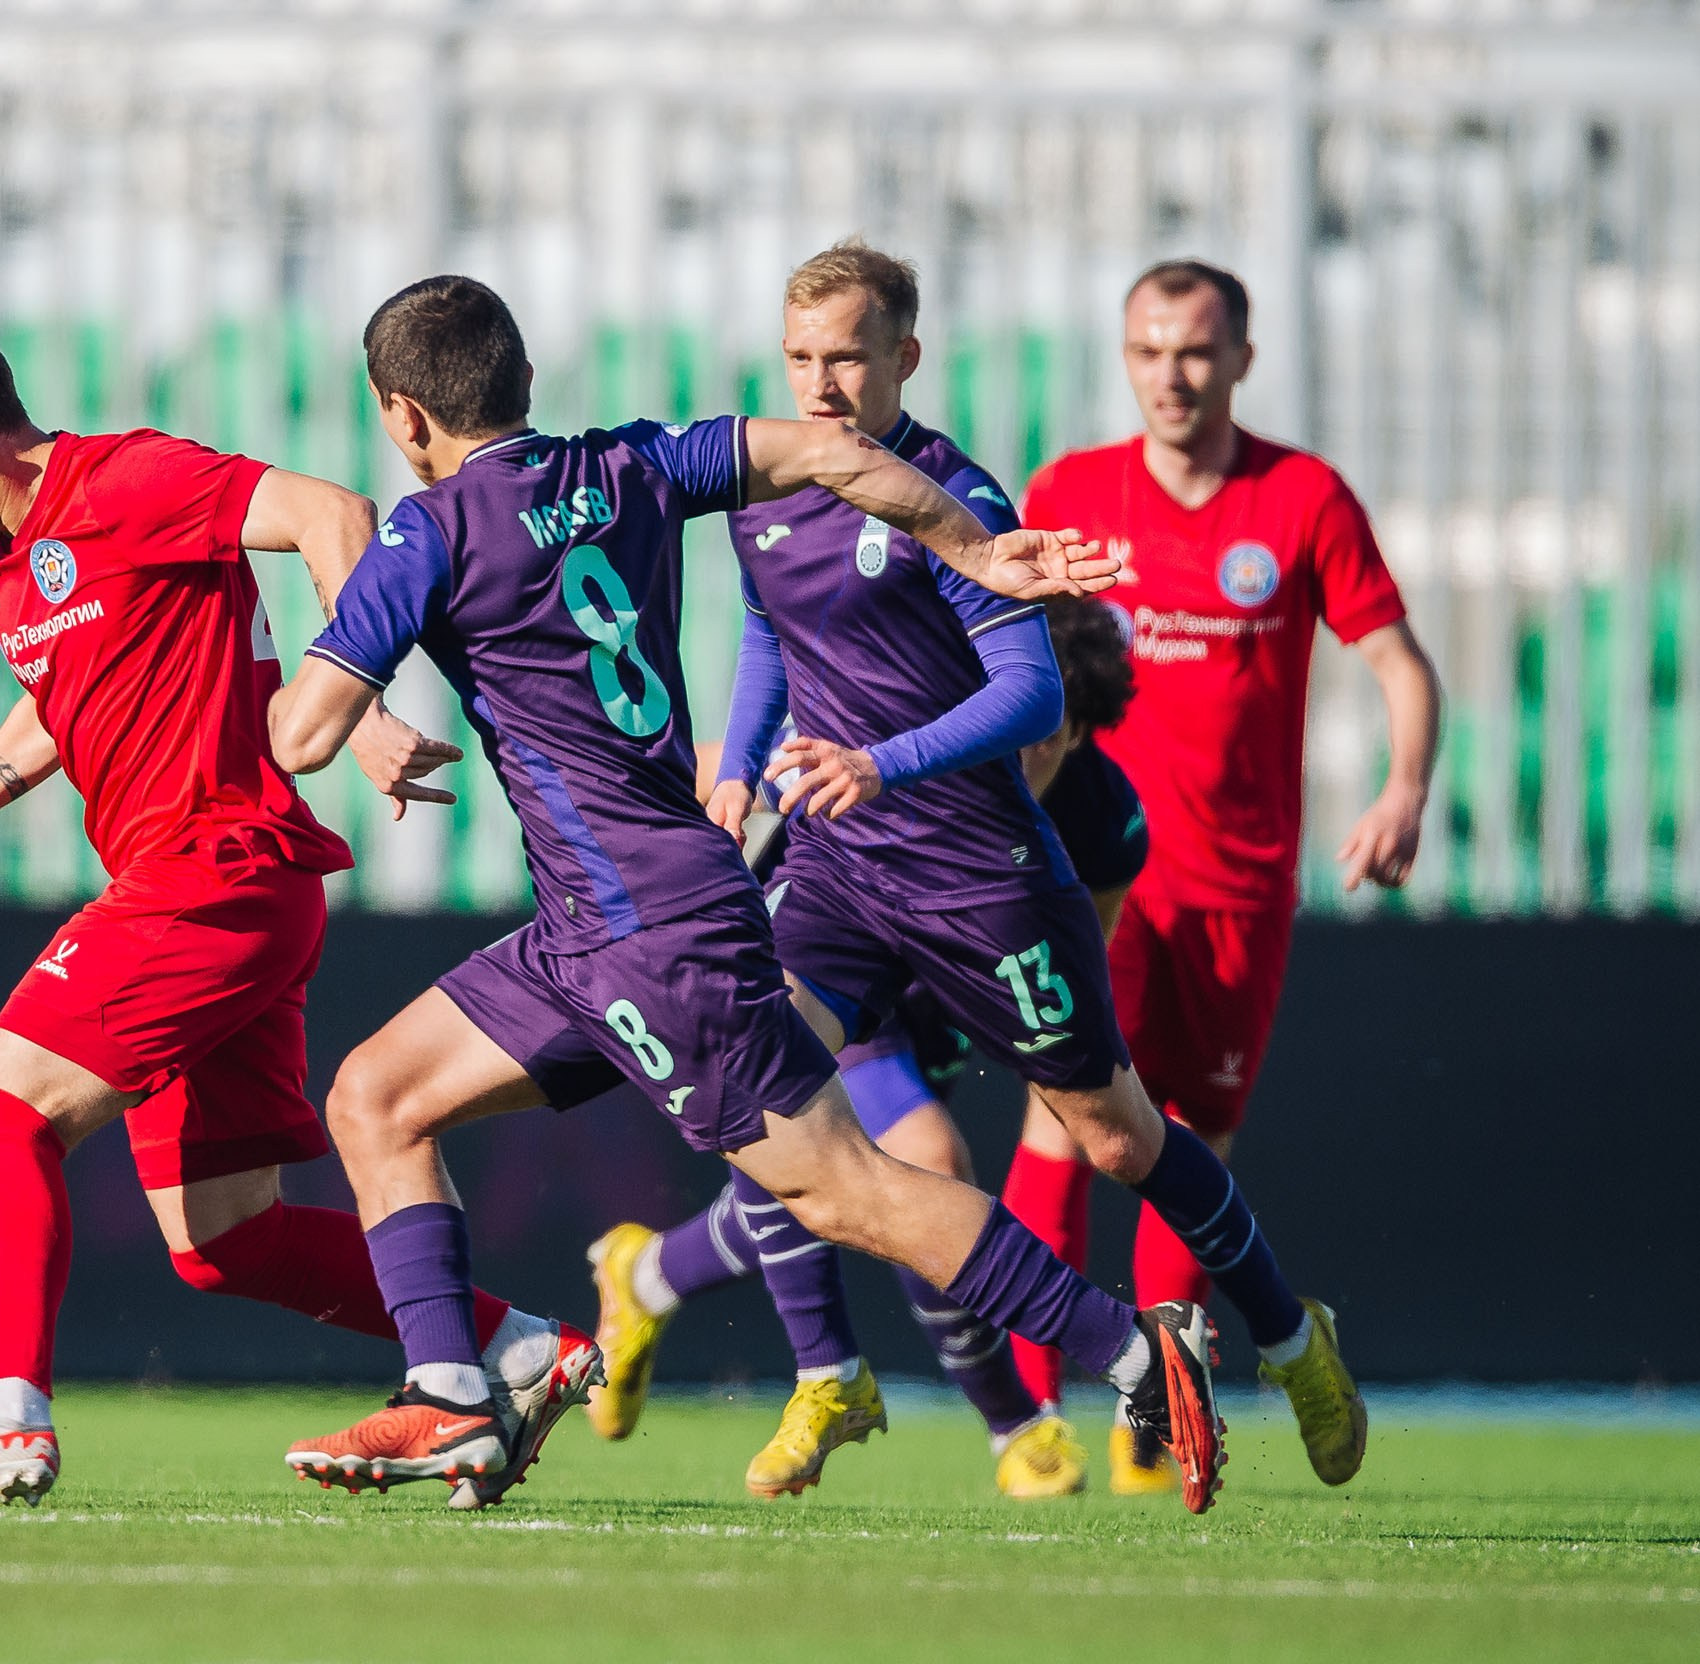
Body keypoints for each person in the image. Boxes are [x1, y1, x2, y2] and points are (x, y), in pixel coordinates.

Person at [263, 274, 1230, 1514]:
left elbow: (299, 736)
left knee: (846, 1187)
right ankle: (459, 1394)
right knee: (376, 1097)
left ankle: (1138, 1352)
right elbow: (833, 454)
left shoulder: (430, 531)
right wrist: (972, 547)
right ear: (520, 382)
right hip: (593, 922)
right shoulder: (631, 462)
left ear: (403, 416)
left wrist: (328, 672)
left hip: (649, 930)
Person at [0, 313, 569, 1507]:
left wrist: (353, 708)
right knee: (227, 1240)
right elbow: (64, 706)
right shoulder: (8, 556)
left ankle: (7, 1416)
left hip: (211, 870)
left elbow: (333, 516)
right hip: (229, 894)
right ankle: (520, 1347)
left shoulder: (127, 478)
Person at [1006, 259, 1442, 1494]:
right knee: (1069, 1113)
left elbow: (1400, 662)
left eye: (1193, 351)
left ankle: (1156, 1411)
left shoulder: (1299, 498)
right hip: (1100, 871)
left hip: (1239, 887)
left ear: (1240, 359)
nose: (1169, 375)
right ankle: (1030, 1416)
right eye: (1146, 350)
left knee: (1188, 1135)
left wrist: (1404, 782)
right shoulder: (1073, 493)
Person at [594, 594, 1145, 1502]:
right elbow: (732, 775)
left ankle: (647, 1275)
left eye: (1049, 735)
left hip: (946, 1010)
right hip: (844, 971)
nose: (1026, 750)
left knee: (840, 1191)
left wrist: (1071, 1087)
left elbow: (1080, 980)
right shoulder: (914, 753)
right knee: (923, 1162)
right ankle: (1018, 1429)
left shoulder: (1105, 821)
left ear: (1079, 732)